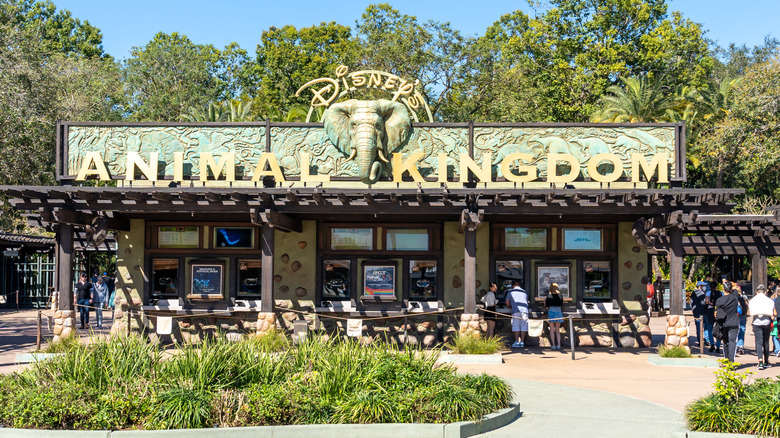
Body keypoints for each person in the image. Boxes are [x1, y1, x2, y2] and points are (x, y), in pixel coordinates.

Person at [748, 284, 775, 370]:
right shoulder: (769, 301)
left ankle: (760, 361)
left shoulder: (752, 300)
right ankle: (766, 361)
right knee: (766, 342)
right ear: (765, 292)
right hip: (766, 322)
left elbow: (749, 313)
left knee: (758, 342)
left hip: (756, 323)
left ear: (756, 292)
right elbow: (773, 313)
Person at [716, 282, 740, 363]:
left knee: (725, 342)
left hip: (723, 323)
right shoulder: (734, 297)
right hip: (734, 322)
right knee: (732, 342)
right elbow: (736, 286)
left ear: (723, 289)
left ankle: (726, 358)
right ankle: (731, 360)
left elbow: (716, 313)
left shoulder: (719, 300)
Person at [506, 279, 529, 348]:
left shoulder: (510, 292)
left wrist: (510, 306)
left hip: (515, 310)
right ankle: (522, 342)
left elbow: (507, 301)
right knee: (524, 326)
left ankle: (516, 341)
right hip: (524, 310)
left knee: (516, 326)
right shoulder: (524, 292)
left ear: (513, 286)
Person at [545, 283, 564, 350]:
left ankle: (553, 345)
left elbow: (547, 307)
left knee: (552, 330)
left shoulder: (549, 296)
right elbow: (562, 305)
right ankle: (559, 344)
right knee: (557, 330)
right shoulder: (560, 296)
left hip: (551, 312)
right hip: (558, 312)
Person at [705, 282, 723, 353]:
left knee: (710, 328)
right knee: (718, 329)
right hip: (718, 311)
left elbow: (706, 302)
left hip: (710, 311)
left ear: (710, 286)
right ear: (716, 287)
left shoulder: (708, 293)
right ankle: (718, 346)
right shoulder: (720, 293)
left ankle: (712, 344)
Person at [691, 281, 708, 346]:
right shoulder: (703, 294)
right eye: (703, 286)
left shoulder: (693, 293)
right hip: (703, 312)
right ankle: (707, 340)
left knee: (698, 327)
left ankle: (700, 341)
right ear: (700, 286)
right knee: (706, 326)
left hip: (696, 313)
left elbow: (691, 303)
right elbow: (704, 302)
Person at [735, 284, 749, 355]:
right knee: (742, 330)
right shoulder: (744, 297)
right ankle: (740, 345)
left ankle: (736, 345)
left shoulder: (733, 297)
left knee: (735, 330)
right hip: (743, 315)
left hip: (735, 315)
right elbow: (747, 305)